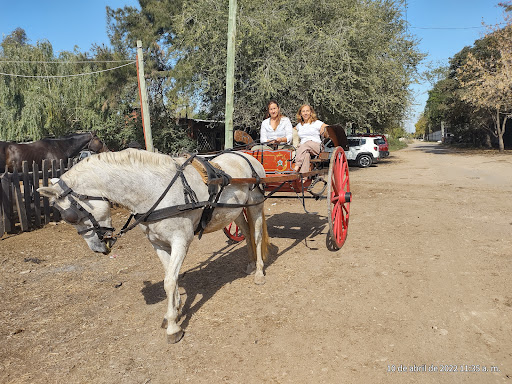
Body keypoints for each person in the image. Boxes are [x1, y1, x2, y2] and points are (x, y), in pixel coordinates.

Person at [293, 104, 328, 173]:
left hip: (316, 146)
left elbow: (328, 127)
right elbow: (292, 131)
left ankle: (296, 167)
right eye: (303, 111)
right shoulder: (299, 125)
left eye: (307, 111)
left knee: (305, 144)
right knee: (306, 155)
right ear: (300, 114)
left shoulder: (316, 123)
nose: (305, 113)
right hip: (304, 148)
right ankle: (304, 178)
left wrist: (324, 128)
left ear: (311, 112)